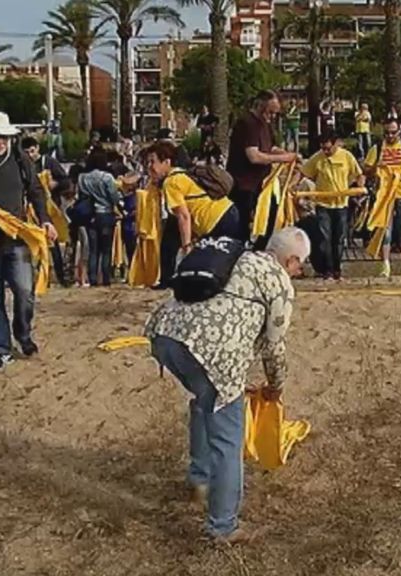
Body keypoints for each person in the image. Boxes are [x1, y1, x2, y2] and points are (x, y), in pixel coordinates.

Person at [145, 227, 310, 544]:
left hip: (165, 335)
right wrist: (276, 387)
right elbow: (275, 347)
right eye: (300, 265)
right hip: (210, 352)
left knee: (205, 399)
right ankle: (223, 527)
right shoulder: (277, 280)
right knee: (228, 438)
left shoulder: (236, 257)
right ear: (290, 260)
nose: (299, 272)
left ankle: (199, 480)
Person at [0, 110, 57, 372]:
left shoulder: (19, 160)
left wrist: (44, 219)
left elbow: (36, 191)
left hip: (17, 241)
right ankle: (2, 348)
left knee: (25, 292)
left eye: (4, 137)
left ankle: (23, 333)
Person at [146, 141, 240, 286]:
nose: (150, 167)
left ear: (166, 162)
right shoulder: (181, 174)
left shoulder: (171, 182)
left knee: (217, 259)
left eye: (153, 162)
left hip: (217, 219)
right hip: (228, 211)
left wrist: (187, 246)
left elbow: (183, 216)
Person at [226, 90, 299, 246]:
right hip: (245, 185)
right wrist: (283, 158)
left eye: (275, 114)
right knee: (245, 227)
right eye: (269, 112)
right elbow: (254, 156)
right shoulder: (247, 123)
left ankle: (261, 250)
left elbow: (269, 147)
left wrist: (289, 155)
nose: (272, 117)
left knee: (270, 221)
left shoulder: (265, 125)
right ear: (259, 105)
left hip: (263, 185)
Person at [300, 128, 364, 280]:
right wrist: (293, 186)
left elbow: (359, 174)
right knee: (325, 239)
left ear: (336, 144)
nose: (326, 151)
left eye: (328, 148)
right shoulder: (318, 158)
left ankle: (337, 269)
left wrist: (360, 187)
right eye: (323, 148)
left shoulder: (347, 156)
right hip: (323, 205)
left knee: (339, 239)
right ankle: (327, 270)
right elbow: (303, 172)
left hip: (341, 205)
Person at [364, 118, 401, 277]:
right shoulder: (376, 148)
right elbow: (366, 170)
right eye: (387, 133)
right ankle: (385, 265)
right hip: (383, 196)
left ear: (399, 132)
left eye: (393, 132)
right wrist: (377, 167)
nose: (389, 136)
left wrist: (400, 177)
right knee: (385, 231)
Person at [22, 136, 70, 286]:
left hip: (50, 209)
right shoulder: (22, 164)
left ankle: (60, 276)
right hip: (28, 210)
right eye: (26, 152)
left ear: (37, 148)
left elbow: (65, 181)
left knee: (52, 244)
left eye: (32, 151)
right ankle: (39, 275)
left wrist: (54, 184)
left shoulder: (48, 162)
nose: (30, 155)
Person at [76, 148, 120, 287]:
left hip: (90, 215)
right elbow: (114, 197)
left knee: (93, 249)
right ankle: (106, 278)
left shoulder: (82, 177)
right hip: (106, 213)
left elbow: (81, 196)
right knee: (106, 249)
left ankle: (93, 277)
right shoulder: (107, 178)